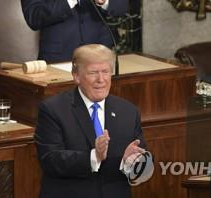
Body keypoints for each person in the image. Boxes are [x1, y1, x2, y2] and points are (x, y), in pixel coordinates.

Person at [35, 44, 153, 197]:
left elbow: (143, 161)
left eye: (105, 72)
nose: (101, 80)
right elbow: (50, 160)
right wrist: (94, 156)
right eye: (93, 73)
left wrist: (132, 161)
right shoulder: (53, 110)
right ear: (76, 76)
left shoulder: (128, 111)